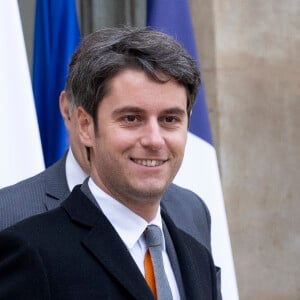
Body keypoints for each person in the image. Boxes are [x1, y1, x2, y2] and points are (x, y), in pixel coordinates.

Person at [0, 27, 219, 299]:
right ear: (85, 127)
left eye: (170, 119)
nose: (154, 139)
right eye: (131, 118)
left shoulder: (197, 257)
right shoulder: (30, 251)